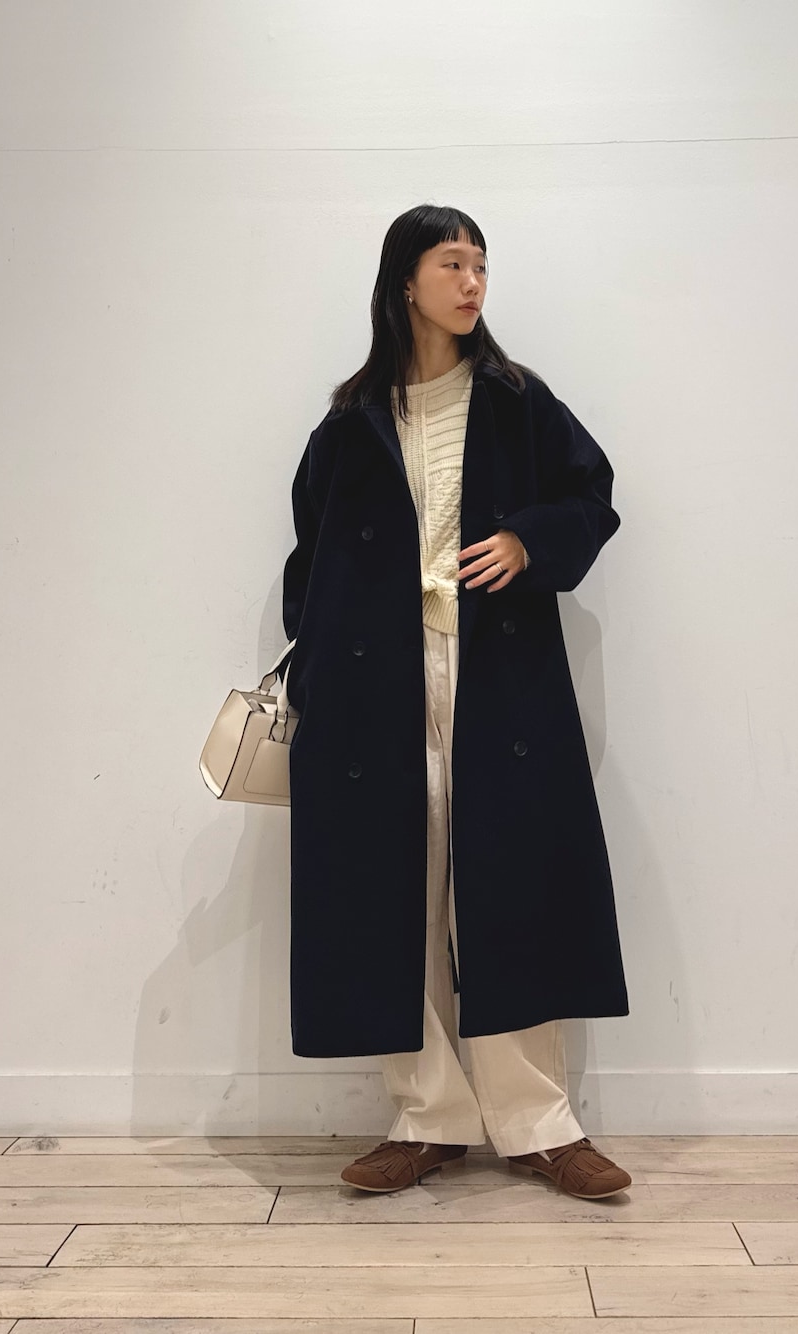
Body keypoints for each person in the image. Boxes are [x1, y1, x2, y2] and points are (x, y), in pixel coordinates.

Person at [282, 204, 632, 1201]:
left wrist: (527, 540)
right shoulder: (348, 423)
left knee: (508, 886)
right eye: (452, 263)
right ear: (406, 280)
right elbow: (309, 556)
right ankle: (427, 1118)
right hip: (375, 687)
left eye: (481, 264)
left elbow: (592, 496)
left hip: (496, 673)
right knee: (394, 893)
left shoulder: (518, 401)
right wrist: (318, 666)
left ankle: (538, 1125)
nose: (473, 282)